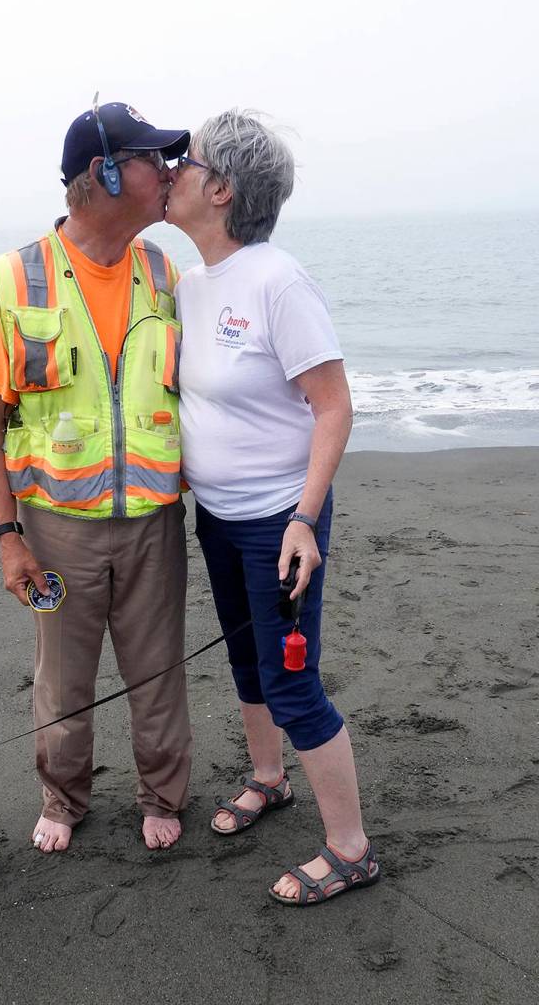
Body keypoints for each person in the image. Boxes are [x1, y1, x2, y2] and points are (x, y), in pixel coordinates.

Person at [165, 110, 380, 904]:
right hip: (218, 516)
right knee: (245, 660)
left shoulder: (278, 281)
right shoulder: (189, 284)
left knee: (294, 684)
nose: (171, 170)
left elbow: (334, 407)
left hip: (279, 523)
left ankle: (351, 848)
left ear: (221, 189)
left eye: (185, 162)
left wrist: (302, 518)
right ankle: (268, 778)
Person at [0, 101, 193, 852]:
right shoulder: (16, 277)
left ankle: (162, 795)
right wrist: (9, 537)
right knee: (63, 680)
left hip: (154, 522)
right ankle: (63, 800)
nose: (167, 173)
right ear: (102, 173)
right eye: (150, 159)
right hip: (56, 527)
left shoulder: (166, 273)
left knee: (158, 671)